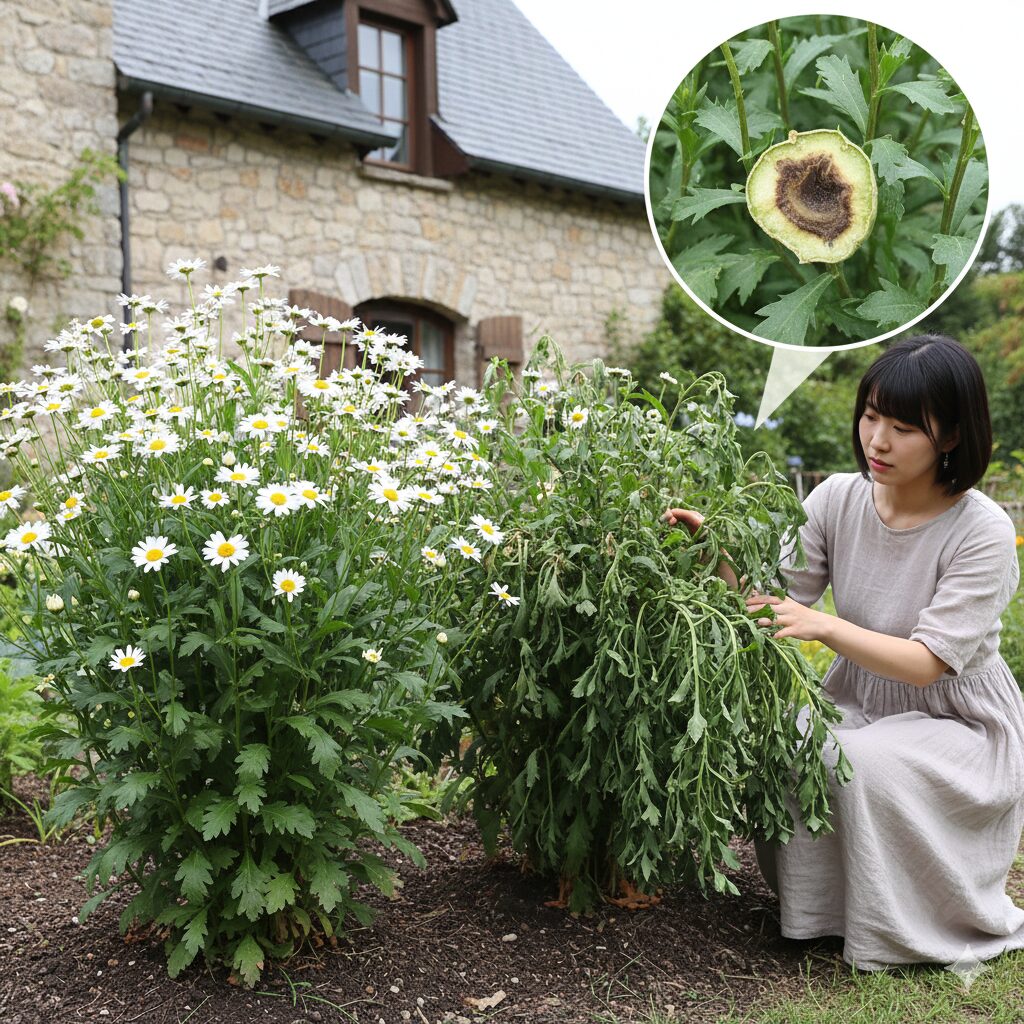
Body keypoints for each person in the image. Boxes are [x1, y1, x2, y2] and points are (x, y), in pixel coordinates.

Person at [664, 334, 1024, 972]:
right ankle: (820, 918)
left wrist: (824, 628)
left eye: (903, 427)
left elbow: (928, 662)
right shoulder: (837, 497)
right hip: (860, 696)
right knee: (795, 737)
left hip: (959, 720)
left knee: (855, 757)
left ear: (950, 437)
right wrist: (712, 553)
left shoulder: (983, 530)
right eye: (870, 416)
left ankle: (907, 924)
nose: (877, 441)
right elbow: (772, 598)